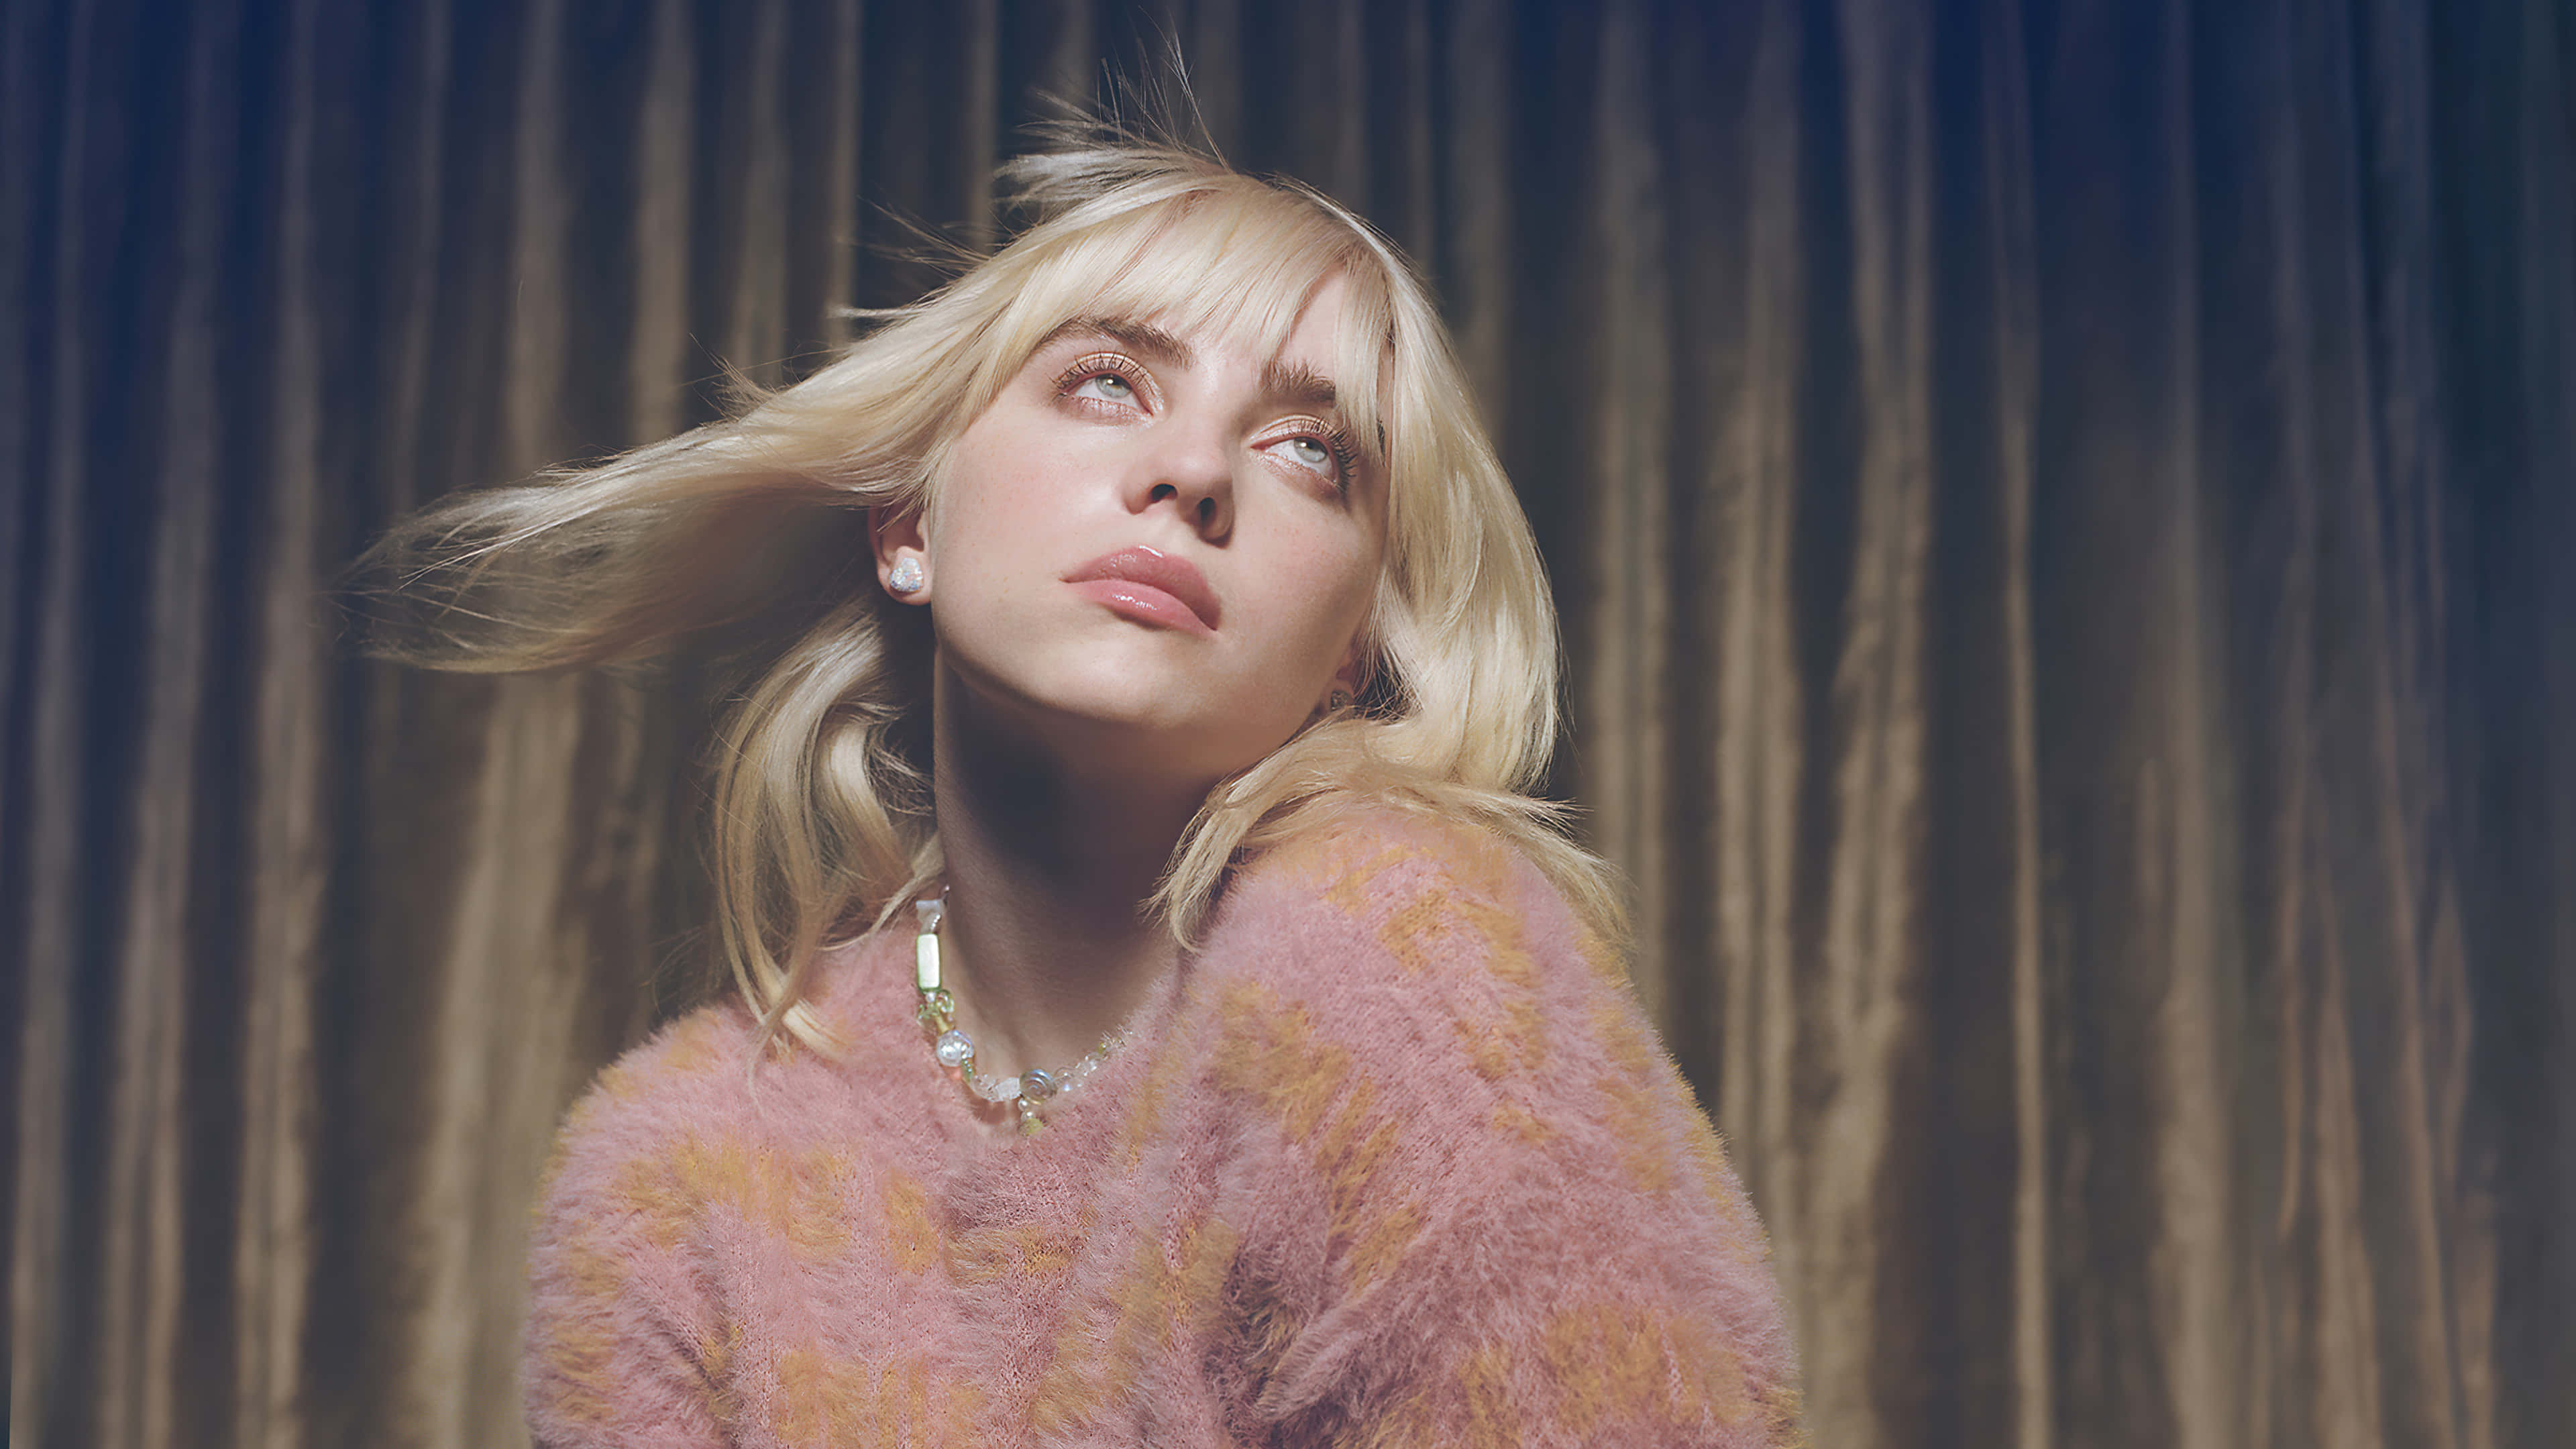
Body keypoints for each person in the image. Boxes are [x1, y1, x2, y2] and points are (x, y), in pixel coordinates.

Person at [363, 130, 1800, 1447]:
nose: (1192, 470)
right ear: (908, 523)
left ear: (1351, 654)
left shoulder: (1410, 953)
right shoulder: (678, 1163)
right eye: (1108, 382)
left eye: (1311, 452)